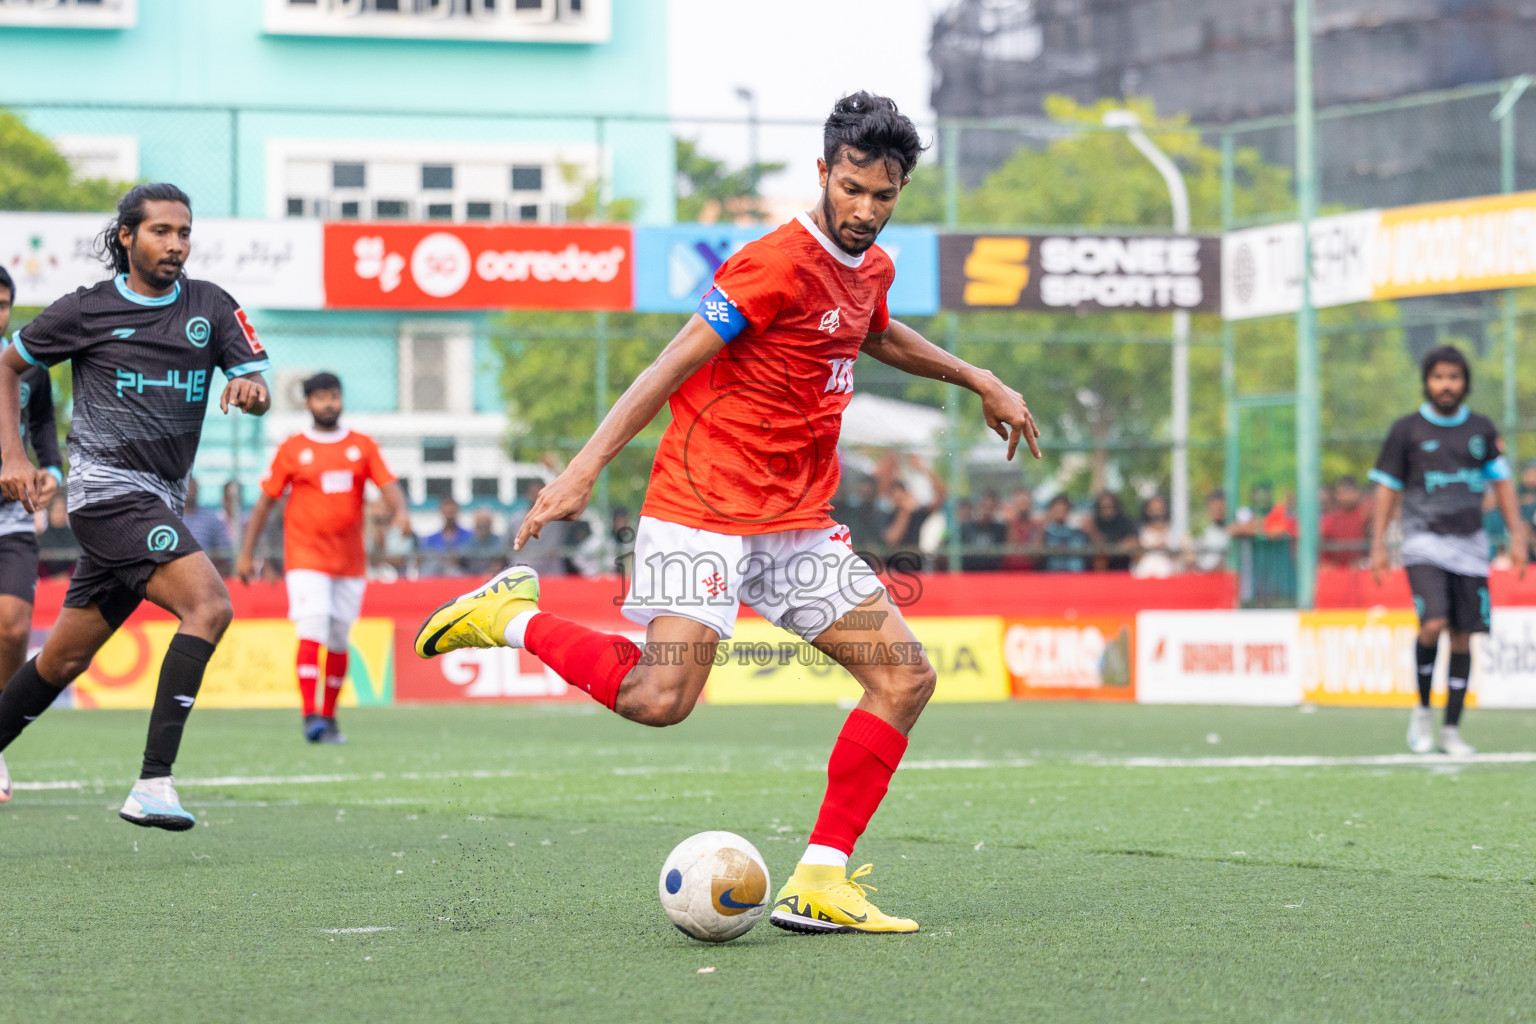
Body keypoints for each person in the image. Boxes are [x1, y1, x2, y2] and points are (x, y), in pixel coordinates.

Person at [412, 92, 1041, 934]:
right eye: (851, 188)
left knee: (904, 678)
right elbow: (671, 363)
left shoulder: (872, 270)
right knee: (659, 698)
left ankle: (820, 880)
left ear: (900, 192)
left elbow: (876, 333)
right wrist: (582, 470)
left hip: (797, 523)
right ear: (823, 173)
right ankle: (510, 617)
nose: (864, 210)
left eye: (883, 196)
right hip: (701, 505)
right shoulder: (771, 265)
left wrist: (980, 380)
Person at [0, 184, 271, 826]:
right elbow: (7, 367)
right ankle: (154, 782)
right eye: (160, 232)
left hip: (159, 502)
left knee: (63, 659)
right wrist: (14, 456)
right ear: (127, 237)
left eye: (184, 233)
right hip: (106, 494)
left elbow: (255, 383)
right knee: (209, 607)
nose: (176, 244)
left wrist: (252, 391)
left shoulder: (212, 306)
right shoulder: (85, 309)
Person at [1369, 345, 1526, 757]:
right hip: (1422, 542)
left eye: (1453, 377)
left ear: (1464, 383)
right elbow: (1387, 488)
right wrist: (1378, 543)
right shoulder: (1406, 430)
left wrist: (1517, 536)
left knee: (1462, 636)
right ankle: (1423, 710)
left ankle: (1452, 729)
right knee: (1434, 622)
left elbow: (1502, 483)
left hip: (1471, 546)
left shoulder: (1481, 429)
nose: (1446, 385)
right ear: (1427, 382)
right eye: (1438, 377)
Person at [236, 371, 407, 744]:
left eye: (334, 396)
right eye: (321, 397)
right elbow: (265, 503)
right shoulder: (293, 448)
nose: (329, 404)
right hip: (306, 557)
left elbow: (388, 484)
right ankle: (309, 715)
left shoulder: (362, 445)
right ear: (308, 403)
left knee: (339, 637)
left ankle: (329, 718)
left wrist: (403, 513)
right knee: (312, 627)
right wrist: (246, 553)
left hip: (350, 561)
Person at [0, 268, 63, 724]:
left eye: (3, 305)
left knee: (12, 627)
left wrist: (52, 469)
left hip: (13, 517)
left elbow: (41, 422)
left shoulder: (27, 365)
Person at [181, 478, 232, 574]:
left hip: (205, 573)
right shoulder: (171, 517)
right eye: (187, 487)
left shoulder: (211, 519)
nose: (190, 491)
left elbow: (225, 552)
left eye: (193, 487)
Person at [1320, 475, 1370, 568]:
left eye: (1348, 492)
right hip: (1337, 569)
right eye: (1342, 493)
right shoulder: (1331, 519)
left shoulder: (1365, 512)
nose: (1345, 497)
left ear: (1357, 493)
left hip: (1361, 567)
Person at [418, 497, 472, 576]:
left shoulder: (469, 537)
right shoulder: (430, 539)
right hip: (437, 578)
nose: (449, 515)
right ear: (441, 512)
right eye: (447, 512)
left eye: (452, 511)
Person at [1040, 494, 1090, 572]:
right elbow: (1036, 554)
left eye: (1063, 509)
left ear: (1068, 511)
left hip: (1076, 575)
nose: (1060, 512)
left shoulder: (1078, 531)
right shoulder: (1046, 532)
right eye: (1056, 510)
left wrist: (1090, 530)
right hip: (1053, 575)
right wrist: (1042, 527)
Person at [1089, 491, 1138, 571]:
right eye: (1104, 507)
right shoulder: (1094, 523)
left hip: (1123, 564)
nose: (1107, 510)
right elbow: (1098, 544)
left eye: (1110, 506)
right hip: (1101, 566)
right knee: (1100, 558)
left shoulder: (1126, 522)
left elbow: (1132, 542)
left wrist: (1112, 549)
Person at [1133, 494, 1177, 578]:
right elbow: (1135, 557)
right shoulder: (1140, 531)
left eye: (1159, 509)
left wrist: (1166, 548)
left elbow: (1180, 556)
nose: (1156, 512)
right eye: (1153, 509)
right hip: (1144, 574)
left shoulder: (1173, 531)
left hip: (1168, 574)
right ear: (1147, 510)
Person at [1190, 489, 1230, 572]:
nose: (1217, 512)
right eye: (1213, 509)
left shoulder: (1234, 530)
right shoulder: (1209, 532)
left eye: (1220, 508)